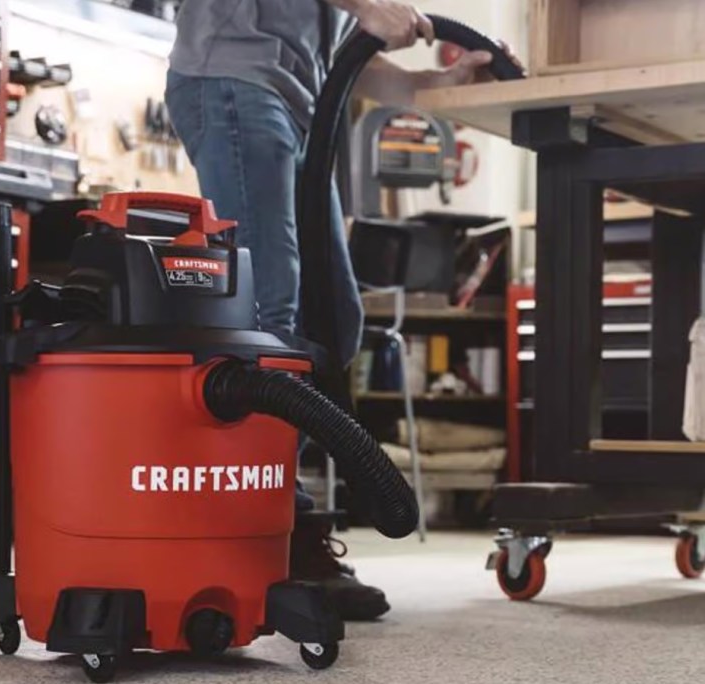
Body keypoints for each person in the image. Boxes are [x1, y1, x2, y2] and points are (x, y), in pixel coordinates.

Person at [165, 0, 518, 621]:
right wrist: (373, 9)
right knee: (272, 314)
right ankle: (274, 529)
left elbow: (336, 60)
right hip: (234, 86)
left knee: (335, 316)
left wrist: (422, 84)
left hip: (296, 106)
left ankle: (275, 519)